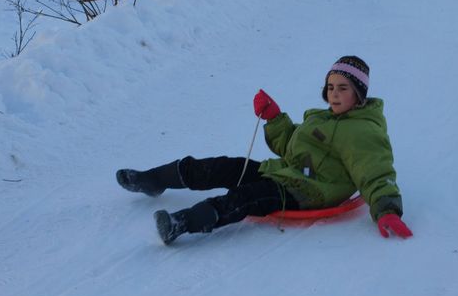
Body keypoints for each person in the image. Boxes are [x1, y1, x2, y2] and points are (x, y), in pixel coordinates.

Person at [116, 55, 412, 245]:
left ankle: (180, 223)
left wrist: (386, 210)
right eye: (331, 86)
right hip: (285, 173)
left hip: (307, 192)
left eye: (343, 88)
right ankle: (153, 179)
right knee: (225, 166)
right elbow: (291, 148)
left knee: (246, 197)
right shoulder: (322, 118)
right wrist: (274, 117)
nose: (334, 94)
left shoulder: (363, 131)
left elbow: (375, 171)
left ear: (359, 94)